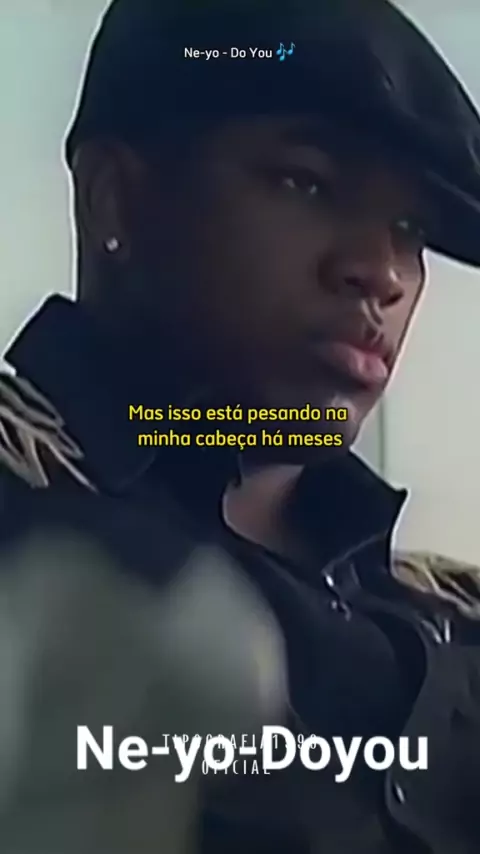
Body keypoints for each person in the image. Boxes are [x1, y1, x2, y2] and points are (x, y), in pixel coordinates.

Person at [1, 0, 480, 851]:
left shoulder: (444, 611)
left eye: (411, 230)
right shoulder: (23, 513)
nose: (380, 270)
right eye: (306, 182)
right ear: (115, 201)